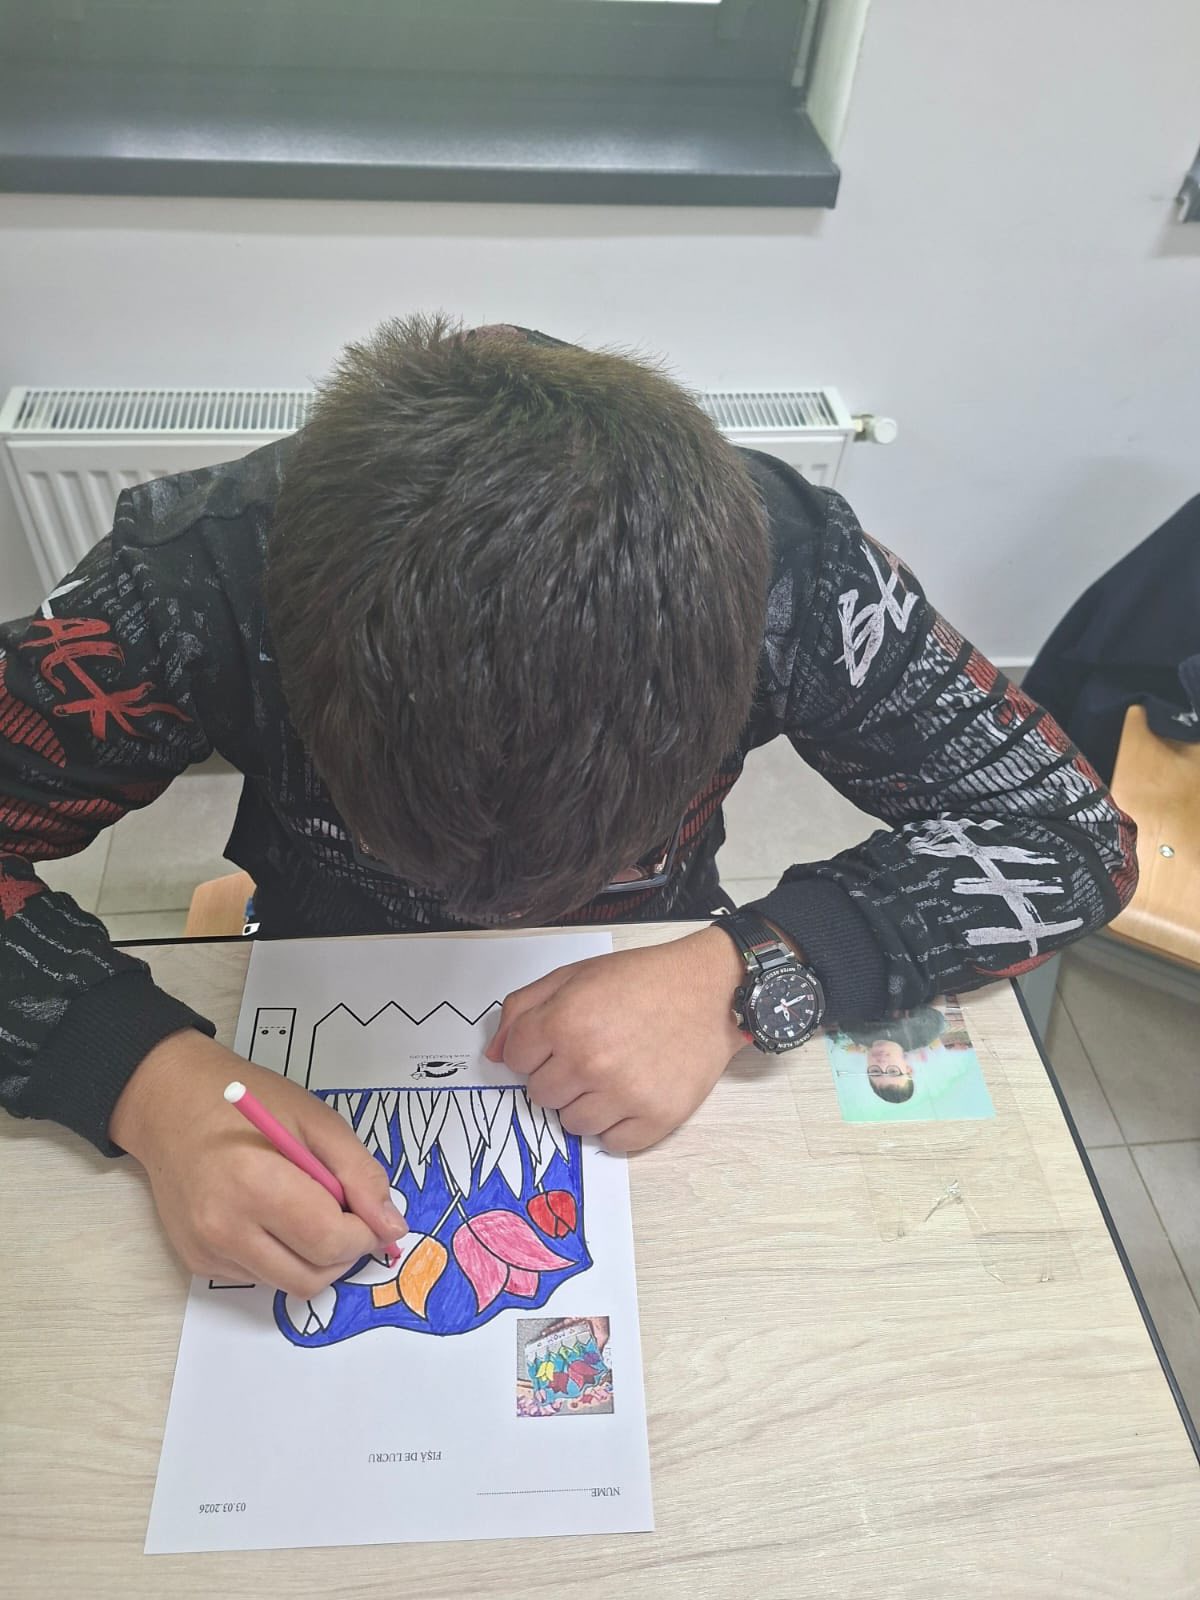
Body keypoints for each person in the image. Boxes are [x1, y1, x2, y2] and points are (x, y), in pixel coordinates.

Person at [0, 318, 1137, 1297]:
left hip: (659, 973)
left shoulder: (797, 578)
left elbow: (1071, 834)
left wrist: (751, 969)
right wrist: (143, 1077)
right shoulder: (193, 583)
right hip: (316, 966)